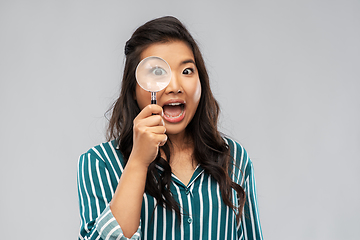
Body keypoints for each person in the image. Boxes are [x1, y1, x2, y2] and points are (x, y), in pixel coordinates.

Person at [77, 16, 263, 240]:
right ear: (134, 88)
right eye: (157, 72)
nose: (175, 87)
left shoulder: (234, 158)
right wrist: (137, 161)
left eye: (186, 71)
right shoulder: (100, 163)